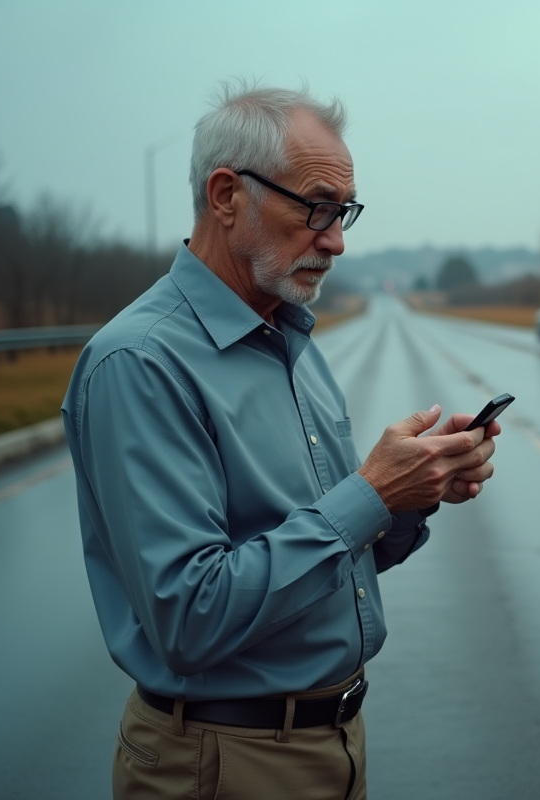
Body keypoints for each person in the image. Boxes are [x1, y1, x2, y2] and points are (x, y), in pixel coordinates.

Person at [61, 82, 499, 800]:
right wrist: (369, 494)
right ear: (227, 194)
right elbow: (191, 617)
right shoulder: (139, 363)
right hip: (222, 761)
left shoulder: (290, 336)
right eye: (315, 208)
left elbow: (319, 565)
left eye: (344, 212)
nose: (336, 240)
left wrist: (413, 491)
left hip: (335, 742)